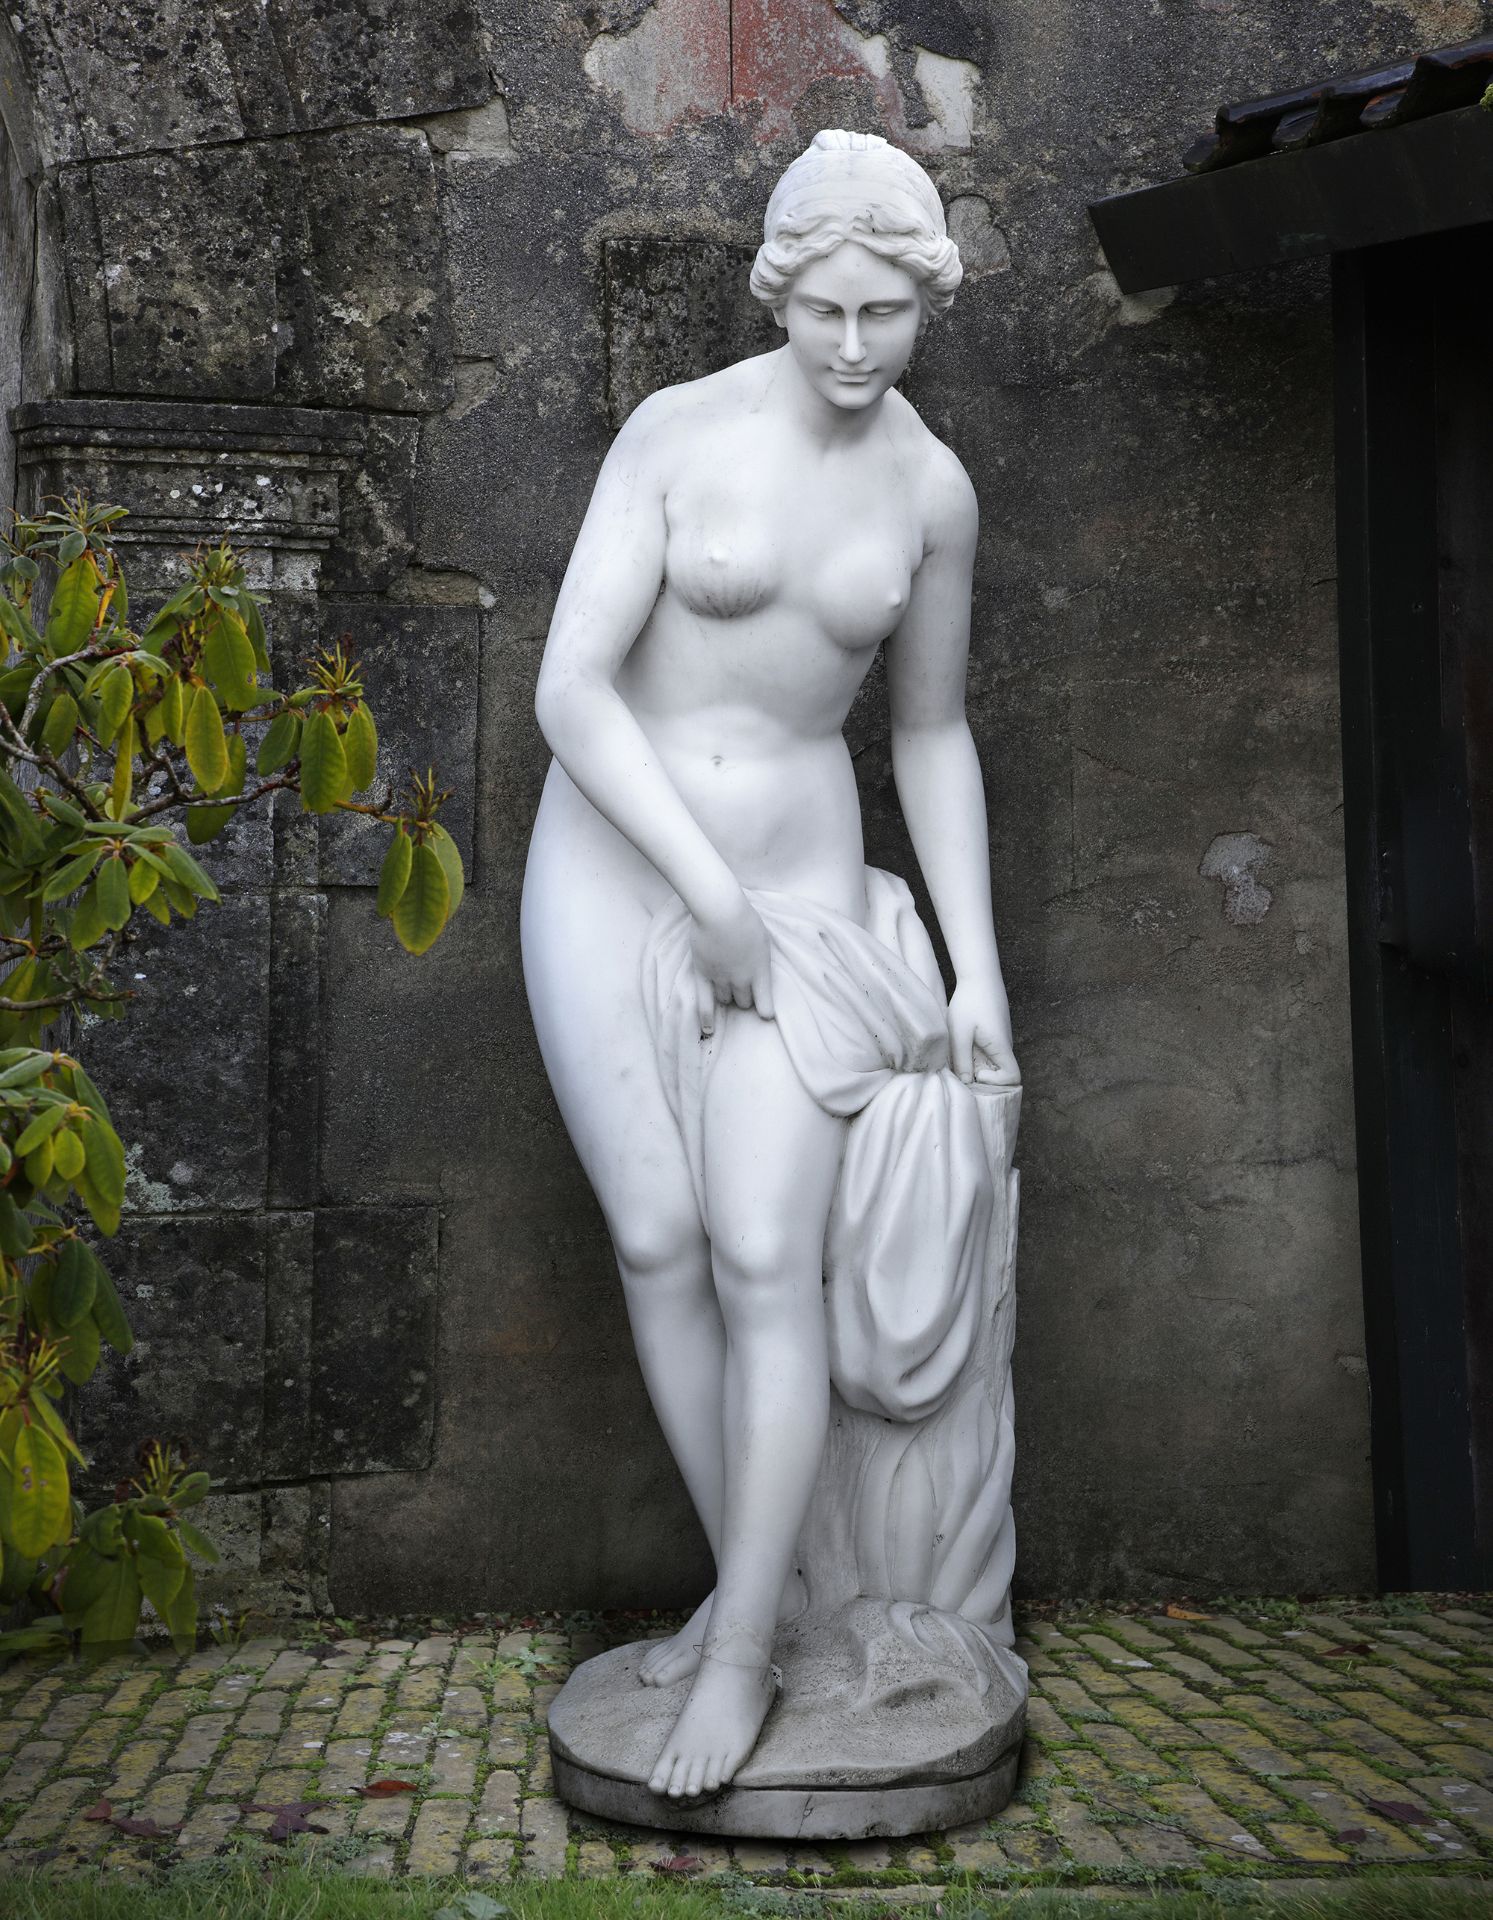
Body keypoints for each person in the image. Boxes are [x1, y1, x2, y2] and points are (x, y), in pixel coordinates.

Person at [521, 129, 1019, 1805]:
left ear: (923, 303)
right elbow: (571, 692)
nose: (858, 345)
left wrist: (973, 967)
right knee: (659, 1240)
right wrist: (695, 891)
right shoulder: (679, 436)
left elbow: (931, 734)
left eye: (889, 311)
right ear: (780, 292)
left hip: (802, 894)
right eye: (828, 310)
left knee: (761, 1250)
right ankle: (754, 1592)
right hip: (615, 868)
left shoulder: (930, 488)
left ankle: (740, 1651)